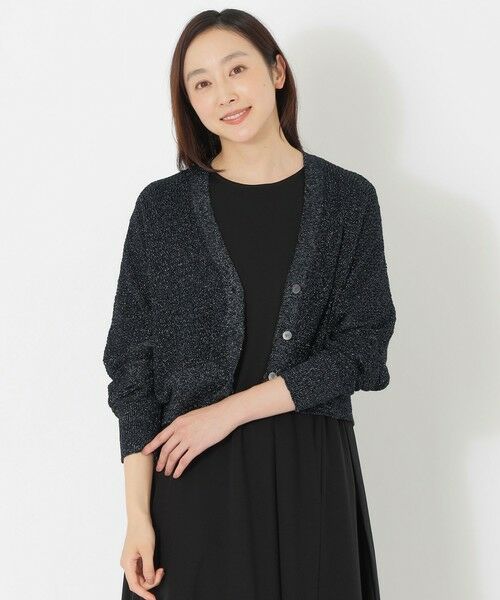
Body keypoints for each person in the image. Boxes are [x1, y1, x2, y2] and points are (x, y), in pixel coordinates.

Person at [103, 9, 397, 600]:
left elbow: (364, 350)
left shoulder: (349, 200)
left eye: (236, 70)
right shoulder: (162, 210)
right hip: (190, 482)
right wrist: (137, 516)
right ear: (189, 101)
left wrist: (228, 412)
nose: (224, 94)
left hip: (310, 478)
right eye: (202, 82)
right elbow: (133, 370)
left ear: (277, 72)